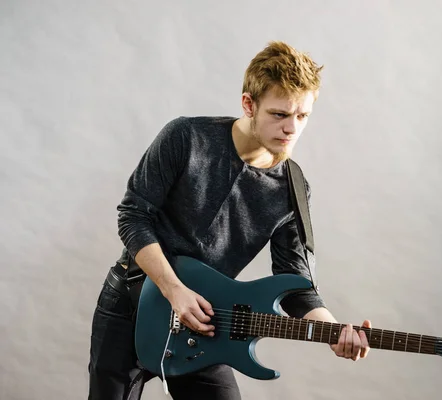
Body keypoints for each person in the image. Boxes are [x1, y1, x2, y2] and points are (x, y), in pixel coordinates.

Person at [87, 41, 371, 400]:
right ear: (248, 104)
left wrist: (332, 330)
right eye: (279, 114)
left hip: (206, 321)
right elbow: (132, 216)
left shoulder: (293, 189)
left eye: (302, 117)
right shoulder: (186, 137)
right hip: (131, 301)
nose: (291, 129)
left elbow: (296, 281)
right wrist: (174, 290)